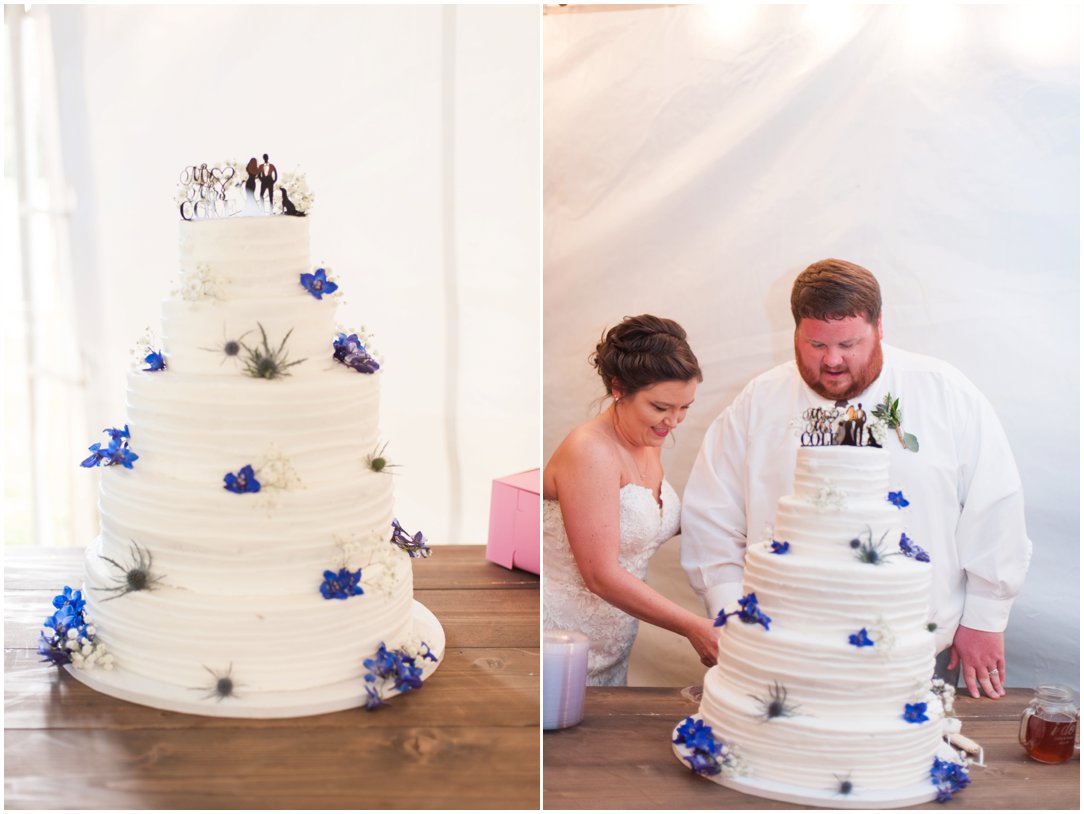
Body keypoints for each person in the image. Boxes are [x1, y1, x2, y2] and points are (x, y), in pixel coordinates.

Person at [681, 259, 1031, 700]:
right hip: (781, 645)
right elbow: (712, 515)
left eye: (849, 343)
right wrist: (730, 613)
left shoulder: (945, 392)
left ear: (880, 326)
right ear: (794, 332)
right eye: (815, 344)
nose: (832, 360)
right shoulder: (759, 400)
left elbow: (994, 504)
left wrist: (985, 616)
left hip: (915, 644)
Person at [544, 315, 719, 686]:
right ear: (618, 388)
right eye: (660, 407)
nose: (673, 421)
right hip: (560, 643)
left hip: (611, 643)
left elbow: (644, 524)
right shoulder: (589, 451)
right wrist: (693, 627)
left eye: (684, 407)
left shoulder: (645, 439)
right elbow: (601, 575)